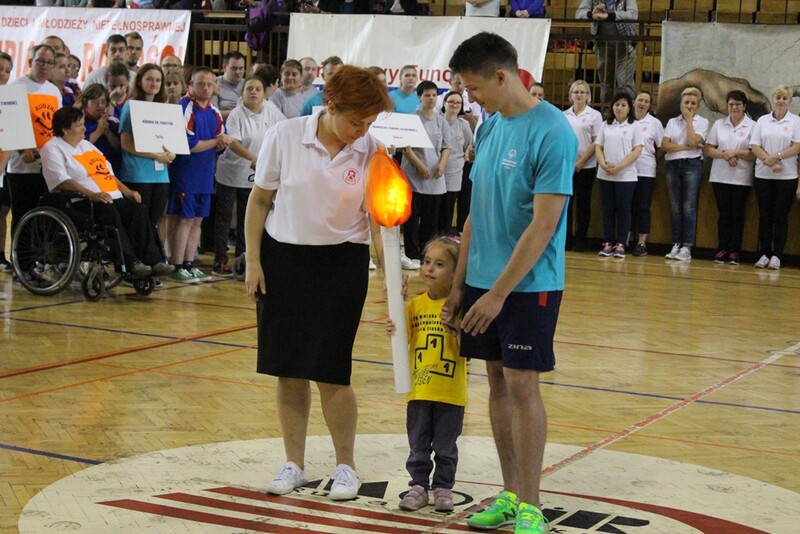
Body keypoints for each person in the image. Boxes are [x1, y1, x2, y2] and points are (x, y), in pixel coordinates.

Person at [443, 32, 577, 534]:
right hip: (481, 281)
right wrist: (461, 281)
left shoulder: (553, 132)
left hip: (527, 286)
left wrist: (499, 293)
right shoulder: (492, 126)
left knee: (523, 383)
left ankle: (532, 506)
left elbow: (544, 225)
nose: (470, 98)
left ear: (503, 77)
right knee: (496, 380)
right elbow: (476, 211)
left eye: (474, 88)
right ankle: (509, 492)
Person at [244, 65, 392, 502]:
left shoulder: (372, 151)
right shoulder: (286, 136)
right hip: (283, 259)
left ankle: (346, 466)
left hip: (342, 264)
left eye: (368, 124)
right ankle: (294, 462)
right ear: (330, 107)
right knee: (288, 370)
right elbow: (259, 201)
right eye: (355, 121)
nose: (361, 131)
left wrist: (389, 280)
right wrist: (253, 261)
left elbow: (380, 224)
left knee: (332, 371)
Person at [40, 106, 173, 278]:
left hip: (110, 197)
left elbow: (107, 173)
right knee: (109, 212)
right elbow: (62, 181)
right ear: (64, 129)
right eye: (79, 125)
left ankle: (154, 261)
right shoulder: (52, 148)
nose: (84, 128)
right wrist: (91, 194)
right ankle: (130, 263)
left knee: (137, 210)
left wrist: (127, 191)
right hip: (79, 201)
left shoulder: (87, 145)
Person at [386, 236, 466, 513]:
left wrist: (456, 326)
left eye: (440, 264)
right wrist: (394, 322)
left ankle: (443, 487)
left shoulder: (458, 308)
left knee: (445, 446)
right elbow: (401, 339)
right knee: (418, 445)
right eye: (427, 262)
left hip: (450, 393)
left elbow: (468, 350)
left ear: (456, 272)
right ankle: (418, 485)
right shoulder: (416, 306)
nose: (430, 269)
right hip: (419, 391)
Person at [212, 76, 286, 277]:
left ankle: (243, 259)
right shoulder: (236, 114)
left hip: (254, 175)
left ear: (264, 93)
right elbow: (233, 143)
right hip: (230, 173)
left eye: (258, 89)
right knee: (224, 217)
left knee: (248, 217)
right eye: (249, 89)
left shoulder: (271, 112)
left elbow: (284, 130)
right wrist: (254, 157)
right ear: (242, 93)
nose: (253, 92)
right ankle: (220, 260)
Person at [167, 67, 233, 283]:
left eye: (209, 84)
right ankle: (176, 265)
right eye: (200, 84)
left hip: (205, 174)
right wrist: (216, 142)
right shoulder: (184, 108)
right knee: (184, 220)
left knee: (197, 220)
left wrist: (220, 143)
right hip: (186, 173)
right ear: (190, 86)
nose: (205, 88)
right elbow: (189, 145)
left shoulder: (214, 111)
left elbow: (219, 141)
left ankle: (189, 263)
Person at [5, 44, 62, 235]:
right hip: (21, 165)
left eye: (49, 63)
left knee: (45, 215)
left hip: (47, 163)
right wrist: (22, 150)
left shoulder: (54, 91)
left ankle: (41, 260)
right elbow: (9, 123)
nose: (45, 66)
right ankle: (21, 260)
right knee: (23, 214)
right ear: (30, 62)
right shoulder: (15, 88)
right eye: (40, 61)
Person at [401, 80, 452, 270]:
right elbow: (406, 147)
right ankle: (412, 254)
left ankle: (426, 253)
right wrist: (420, 165)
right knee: (413, 219)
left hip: (435, 178)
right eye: (427, 95)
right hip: (415, 177)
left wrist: (442, 164)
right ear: (419, 97)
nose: (431, 98)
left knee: (431, 220)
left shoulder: (441, 120)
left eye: (433, 95)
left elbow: (447, 147)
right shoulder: (412, 119)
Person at [749, 85, 800, 270]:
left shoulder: (795, 121)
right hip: (763, 175)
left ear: (789, 101)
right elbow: (754, 145)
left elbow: (796, 147)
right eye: (778, 97)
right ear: (773, 98)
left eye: (784, 98)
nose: (780, 101)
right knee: (764, 216)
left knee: (780, 217)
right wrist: (768, 161)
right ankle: (764, 253)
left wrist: (776, 156)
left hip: (786, 177)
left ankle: (777, 255)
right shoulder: (762, 120)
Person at [119, 64, 175, 230]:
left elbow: (169, 140)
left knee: (154, 221)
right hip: (138, 173)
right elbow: (125, 143)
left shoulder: (164, 109)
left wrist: (171, 153)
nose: (154, 83)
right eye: (149, 79)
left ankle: (151, 255)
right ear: (139, 82)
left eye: (158, 80)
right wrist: (156, 156)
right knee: (139, 223)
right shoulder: (130, 106)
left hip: (160, 175)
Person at [704, 90, 756, 266]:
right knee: (724, 215)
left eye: (738, 104)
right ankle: (722, 248)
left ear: (744, 106)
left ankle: (734, 251)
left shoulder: (752, 126)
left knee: (737, 215)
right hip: (720, 177)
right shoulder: (719, 124)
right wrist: (724, 154)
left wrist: (736, 152)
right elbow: (709, 149)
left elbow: (753, 154)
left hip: (741, 177)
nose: (734, 108)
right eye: (731, 104)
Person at [662, 87, 709, 262]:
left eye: (693, 103)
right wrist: (687, 147)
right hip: (673, 164)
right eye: (686, 102)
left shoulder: (702, 122)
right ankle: (676, 243)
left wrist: (689, 121)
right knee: (675, 207)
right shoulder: (672, 121)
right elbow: (665, 146)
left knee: (688, 207)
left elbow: (693, 140)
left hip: (692, 164)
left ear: (698, 105)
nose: (689, 106)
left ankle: (686, 246)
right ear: (681, 104)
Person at [595, 92, 643, 259]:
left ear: (629, 107)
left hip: (626, 176)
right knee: (608, 209)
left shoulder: (635, 126)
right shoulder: (605, 125)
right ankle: (607, 243)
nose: (619, 108)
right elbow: (598, 147)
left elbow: (638, 149)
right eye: (617, 104)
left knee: (624, 209)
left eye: (623, 105)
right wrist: (603, 164)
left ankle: (621, 243)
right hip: (605, 174)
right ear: (612, 107)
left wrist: (620, 166)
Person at [563, 79, 602, 251]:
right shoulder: (564, 115)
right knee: (566, 205)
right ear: (571, 95)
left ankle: (581, 239)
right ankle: (566, 239)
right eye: (576, 92)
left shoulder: (594, 115)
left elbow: (596, 142)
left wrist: (580, 162)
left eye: (583, 92)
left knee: (583, 204)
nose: (579, 95)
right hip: (566, 166)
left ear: (588, 96)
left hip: (586, 166)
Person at [576, 0, 638, 102]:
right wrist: (592, 14)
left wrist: (609, 16)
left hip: (625, 46)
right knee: (605, 84)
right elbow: (579, 13)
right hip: (602, 46)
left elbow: (633, 14)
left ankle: (628, 115)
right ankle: (607, 114)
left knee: (625, 84)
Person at [630, 89, 663, 256]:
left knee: (643, 206)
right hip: (626, 170)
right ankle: (624, 240)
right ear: (634, 101)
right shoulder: (626, 120)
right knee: (626, 206)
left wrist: (651, 159)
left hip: (645, 170)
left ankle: (642, 243)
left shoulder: (654, 123)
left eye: (646, 101)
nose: (642, 103)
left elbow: (661, 147)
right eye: (640, 100)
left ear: (649, 105)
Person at [440, 91, 472, 236]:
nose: (454, 105)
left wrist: (463, 160)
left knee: (448, 209)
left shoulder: (464, 125)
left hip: (455, 172)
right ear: (444, 103)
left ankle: (446, 239)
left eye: (458, 103)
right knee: (434, 209)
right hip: (437, 172)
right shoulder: (437, 121)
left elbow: (468, 147)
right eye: (451, 101)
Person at [0, 51, 13, 270]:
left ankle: (1, 253)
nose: (3, 74)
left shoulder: (11, 99)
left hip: (2, 166)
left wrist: (1, 168)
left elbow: (11, 137)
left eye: (7, 71)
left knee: (2, 210)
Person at [213, 51, 246, 121]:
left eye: (241, 68)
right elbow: (213, 114)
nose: (238, 72)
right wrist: (238, 113)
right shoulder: (215, 84)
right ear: (224, 67)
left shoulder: (248, 84)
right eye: (234, 68)